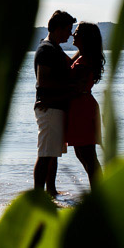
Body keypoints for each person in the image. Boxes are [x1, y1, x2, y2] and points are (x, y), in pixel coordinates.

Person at [33, 10, 76, 196]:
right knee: (45, 154)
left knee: (53, 152)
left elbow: (70, 64)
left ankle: (51, 191)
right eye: (68, 30)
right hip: (49, 107)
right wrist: (71, 87)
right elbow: (43, 81)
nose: (70, 34)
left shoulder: (55, 48)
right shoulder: (46, 49)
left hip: (55, 106)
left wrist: (83, 50)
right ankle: (38, 194)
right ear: (57, 29)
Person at [65, 22, 105, 188]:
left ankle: (100, 194)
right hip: (81, 107)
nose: (73, 34)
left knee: (87, 155)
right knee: (84, 154)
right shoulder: (82, 58)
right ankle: (99, 193)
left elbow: (76, 86)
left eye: (77, 32)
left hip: (82, 109)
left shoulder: (84, 61)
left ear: (86, 37)